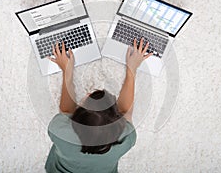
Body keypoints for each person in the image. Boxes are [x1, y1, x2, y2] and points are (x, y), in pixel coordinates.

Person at [45, 38, 153, 173]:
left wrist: (67, 71)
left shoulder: (59, 130)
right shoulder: (127, 139)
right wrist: (132, 68)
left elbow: (66, 110)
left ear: (77, 117)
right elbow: (126, 111)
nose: (89, 93)